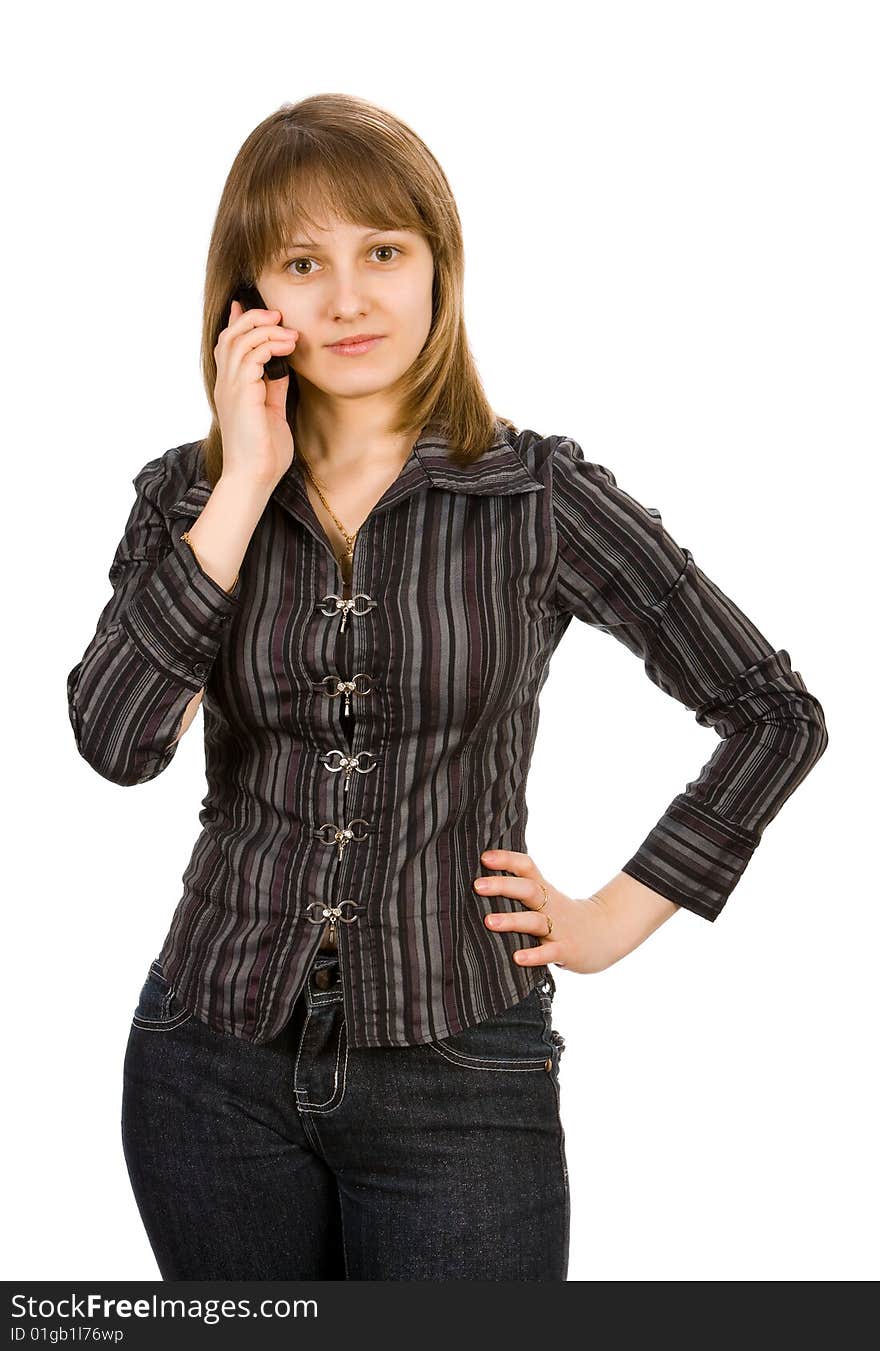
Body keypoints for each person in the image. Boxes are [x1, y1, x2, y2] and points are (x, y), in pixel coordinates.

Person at [66, 93, 829, 1281]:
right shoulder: (187, 497)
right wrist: (244, 477)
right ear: (248, 299)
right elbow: (116, 741)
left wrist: (615, 915)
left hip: (461, 1069)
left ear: (439, 265)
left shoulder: (534, 496)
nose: (349, 298)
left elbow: (773, 714)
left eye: (383, 251)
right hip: (204, 1064)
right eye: (303, 263)